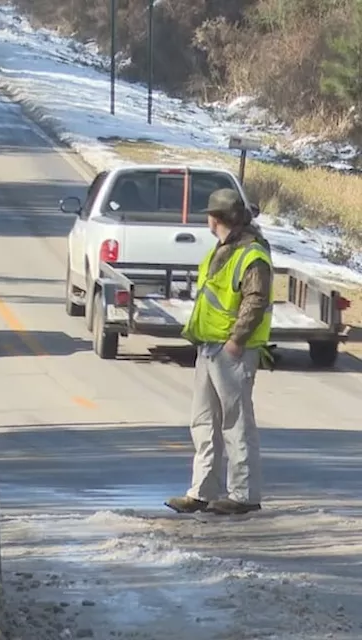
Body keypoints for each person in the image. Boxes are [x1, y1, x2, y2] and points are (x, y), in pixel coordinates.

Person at [166, 188, 271, 516]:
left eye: (209, 215)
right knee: (203, 421)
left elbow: (255, 300)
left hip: (232, 350)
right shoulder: (225, 250)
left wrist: (237, 340)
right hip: (211, 347)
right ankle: (203, 491)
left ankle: (244, 495)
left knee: (235, 423)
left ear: (217, 219)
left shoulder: (251, 254)